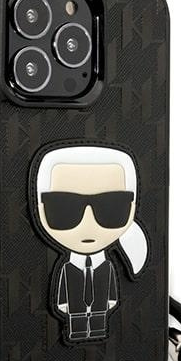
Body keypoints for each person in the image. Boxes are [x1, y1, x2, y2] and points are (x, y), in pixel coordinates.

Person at [34, 145, 148, 341]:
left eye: (111, 207)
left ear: (131, 207)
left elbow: (111, 288)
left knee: (98, 325)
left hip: (100, 310)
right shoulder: (68, 267)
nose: (88, 223)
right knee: (77, 326)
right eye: (64, 208)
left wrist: (111, 301)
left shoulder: (106, 266)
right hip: (75, 311)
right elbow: (63, 290)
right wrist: (63, 304)